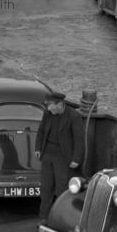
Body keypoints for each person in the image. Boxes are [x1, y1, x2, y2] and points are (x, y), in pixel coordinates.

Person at [34, 91, 83, 222]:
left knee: (62, 189)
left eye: (50, 105)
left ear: (60, 104)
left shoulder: (73, 116)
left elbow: (79, 139)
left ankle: (60, 219)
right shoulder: (48, 113)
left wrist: (76, 158)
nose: (48, 108)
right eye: (47, 106)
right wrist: (38, 147)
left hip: (63, 157)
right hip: (47, 155)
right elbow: (41, 130)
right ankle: (44, 217)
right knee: (45, 188)